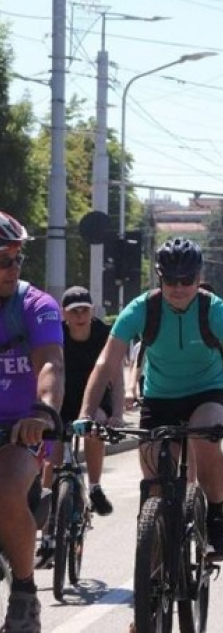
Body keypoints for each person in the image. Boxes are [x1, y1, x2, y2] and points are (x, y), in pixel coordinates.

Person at [79, 238, 223, 562]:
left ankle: (215, 517)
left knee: (205, 437)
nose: (178, 288)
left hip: (207, 393)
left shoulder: (214, 310)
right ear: (159, 278)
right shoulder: (142, 309)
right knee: (155, 485)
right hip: (159, 398)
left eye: (186, 280)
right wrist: (86, 414)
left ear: (198, 277)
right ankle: (152, 590)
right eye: (170, 280)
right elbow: (107, 361)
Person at [0, 211, 64, 632]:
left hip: (22, 428)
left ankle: (24, 592)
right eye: (3, 259)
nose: (12, 268)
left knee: (6, 484)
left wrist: (42, 411)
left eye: (17, 258)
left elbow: (51, 366)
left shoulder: (36, 304)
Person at [35, 287, 124, 569]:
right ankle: (48, 536)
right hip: (62, 399)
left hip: (94, 398)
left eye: (85, 309)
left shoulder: (102, 334)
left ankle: (95, 487)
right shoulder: (56, 334)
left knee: (93, 426)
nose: (81, 315)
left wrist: (119, 413)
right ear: (64, 314)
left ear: (92, 310)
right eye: (74, 311)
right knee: (52, 457)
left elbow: (117, 377)